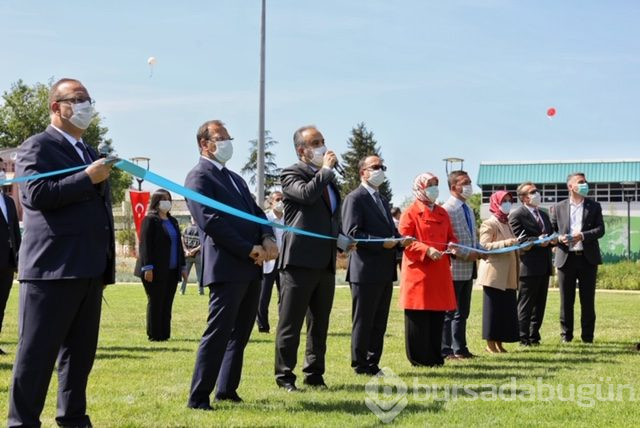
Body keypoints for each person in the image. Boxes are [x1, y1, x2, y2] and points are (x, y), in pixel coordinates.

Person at [8, 78, 115, 427]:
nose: (86, 105)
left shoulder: (89, 151)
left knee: (79, 356)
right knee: (36, 357)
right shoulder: (36, 146)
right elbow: (35, 195)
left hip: (87, 269)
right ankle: (22, 422)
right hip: (51, 270)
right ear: (57, 106)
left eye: (89, 98)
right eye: (78, 99)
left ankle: (73, 419)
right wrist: (87, 178)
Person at [184, 119, 277, 410]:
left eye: (228, 137)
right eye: (220, 138)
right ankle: (199, 397)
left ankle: (227, 389)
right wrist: (248, 249)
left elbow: (256, 211)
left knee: (241, 332)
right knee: (219, 331)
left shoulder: (235, 179)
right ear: (205, 143)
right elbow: (210, 220)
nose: (226, 143)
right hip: (227, 265)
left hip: (251, 265)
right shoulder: (198, 177)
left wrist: (267, 236)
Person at [275, 125, 342, 391]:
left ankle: (314, 373)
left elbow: (331, 213)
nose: (323, 147)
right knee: (291, 322)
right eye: (316, 143)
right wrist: (325, 171)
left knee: (319, 322)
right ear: (302, 150)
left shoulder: (329, 179)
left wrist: (340, 237)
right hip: (299, 261)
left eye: (323, 141)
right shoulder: (292, 173)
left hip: (325, 261)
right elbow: (305, 195)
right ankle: (285, 376)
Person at [342, 155, 412, 375]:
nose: (380, 170)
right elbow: (353, 233)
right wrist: (383, 243)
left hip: (384, 270)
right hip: (364, 270)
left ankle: (373, 363)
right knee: (364, 320)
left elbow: (390, 233)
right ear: (363, 171)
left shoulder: (381, 199)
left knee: (379, 321)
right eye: (375, 167)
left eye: (383, 166)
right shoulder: (355, 198)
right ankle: (360, 365)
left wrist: (401, 241)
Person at [398, 172, 457, 367]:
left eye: (435, 184)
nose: (433, 188)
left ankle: (435, 356)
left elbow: (450, 236)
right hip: (419, 273)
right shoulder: (410, 212)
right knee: (418, 317)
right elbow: (405, 241)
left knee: (436, 316)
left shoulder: (442, 212)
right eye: (429, 184)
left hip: (439, 271)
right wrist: (426, 249)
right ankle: (418, 358)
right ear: (420, 187)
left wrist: (454, 246)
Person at [550, 172, 604, 343]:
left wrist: (582, 235)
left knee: (587, 300)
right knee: (566, 300)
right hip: (566, 258)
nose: (585, 184)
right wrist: (559, 238)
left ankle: (587, 337)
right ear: (570, 186)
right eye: (581, 182)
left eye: (586, 181)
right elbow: (551, 232)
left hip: (588, 259)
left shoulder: (594, 206)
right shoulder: (557, 207)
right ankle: (566, 336)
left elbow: (600, 230)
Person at [134, 189, 187, 341]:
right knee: (156, 301)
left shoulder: (173, 221)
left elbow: (178, 246)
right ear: (156, 202)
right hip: (154, 270)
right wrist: (148, 267)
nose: (167, 202)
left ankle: (165, 334)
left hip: (172, 270)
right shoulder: (149, 220)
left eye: (169, 199)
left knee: (167, 302)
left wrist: (183, 267)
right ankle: (154, 335)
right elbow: (145, 246)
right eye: (164, 199)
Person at [441, 170, 481, 360]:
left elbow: (471, 237)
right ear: (453, 187)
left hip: (469, 269)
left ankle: (460, 348)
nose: (469, 186)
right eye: (464, 182)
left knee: (463, 312)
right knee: (450, 312)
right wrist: (468, 254)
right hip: (454, 268)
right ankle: (447, 349)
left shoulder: (468, 208)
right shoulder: (447, 210)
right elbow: (448, 242)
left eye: (470, 182)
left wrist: (481, 250)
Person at [509, 182, 555, 346]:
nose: (537, 194)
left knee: (540, 304)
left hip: (544, 265)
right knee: (525, 304)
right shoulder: (517, 215)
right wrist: (537, 241)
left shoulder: (543, 214)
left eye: (537, 191)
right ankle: (523, 337)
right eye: (533, 191)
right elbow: (518, 239)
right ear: (523, 197)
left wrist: (552, 240)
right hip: (527, 266)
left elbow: (549, 234)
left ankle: (534, 335)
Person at [477, 190, 520, 353]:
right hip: (494, 274)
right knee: (493, 311)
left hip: (508, 274)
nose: (507, 204)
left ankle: (500, 343)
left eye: (509, 200)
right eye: (504, 201)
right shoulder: (489, 223)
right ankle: (490, 345)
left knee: (504, 310)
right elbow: (484, 246)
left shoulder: (507, 222)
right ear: (495, 203)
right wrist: (508, 243)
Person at [256, 191, 285, 333]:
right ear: (271, 202)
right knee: (264, 295)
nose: (281, 202)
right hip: (269, 261)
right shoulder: (266, 219)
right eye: (278, 199)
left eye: (282, 199)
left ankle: (283, 324)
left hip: (284, 260)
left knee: (284, 295)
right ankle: (263, 325)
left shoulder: (288, 220)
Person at [0, 172, 21, 355]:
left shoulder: (9, 202)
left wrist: (19, 258)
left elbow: (15, 231)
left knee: (1, 304)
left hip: (7, 262)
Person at [180, 216, 204, 295]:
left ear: (191, 220)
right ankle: (201, 292)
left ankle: (181, 291)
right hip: (198, 255)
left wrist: (186, 250)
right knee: (199, 275)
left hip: (187, 255)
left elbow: (182, 241)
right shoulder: (201, 230)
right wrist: (194, 250)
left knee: (185, 274)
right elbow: (203, 243)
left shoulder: (186, 229)